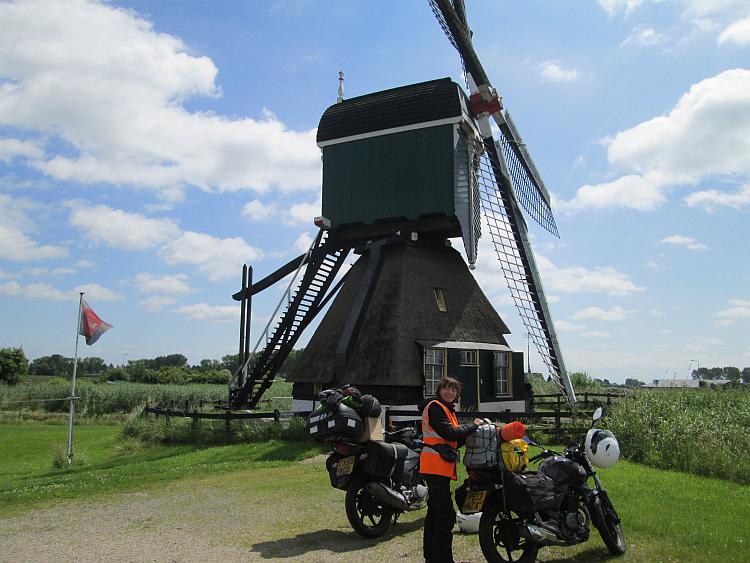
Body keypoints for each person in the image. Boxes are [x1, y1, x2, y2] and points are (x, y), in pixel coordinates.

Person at [420, 377, 483, 563]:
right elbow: (450, 433)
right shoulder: (435, 407)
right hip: (434, 466)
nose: (450, 392)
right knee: (446, 516)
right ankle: (444, 559)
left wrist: (472, 433)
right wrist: (474, 425)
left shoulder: (448, 411)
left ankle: (431, 557)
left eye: (453, 390)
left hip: (440, 466)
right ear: (439, 391)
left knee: (435, 514)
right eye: (446, 389)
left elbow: (455, 440)